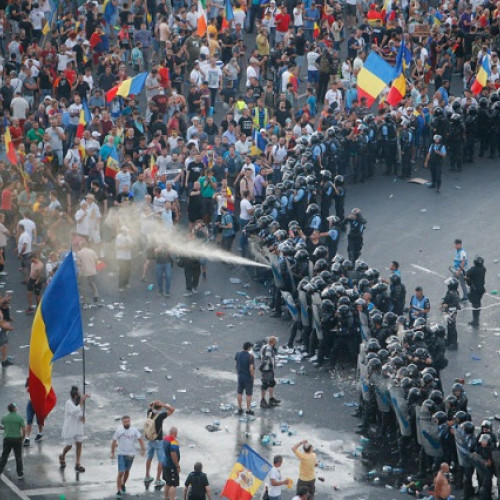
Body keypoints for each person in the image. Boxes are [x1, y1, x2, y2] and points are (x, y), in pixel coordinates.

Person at [111, 415, 146, 499]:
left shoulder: (134, 430)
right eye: (125, 422)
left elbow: (140, 439)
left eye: (128, 421)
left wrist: (143, 449)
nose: (126, 423)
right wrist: (112, 453)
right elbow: (114, 441)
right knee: (120, 472)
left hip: (131, 454)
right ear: (122, 422)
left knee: (127, 472)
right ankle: (118, 490)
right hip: (121, 454)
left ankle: (123, 484)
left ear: (130, 421)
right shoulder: (119, 430)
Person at [145, 400, 175, 488]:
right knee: (161, 460)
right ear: (160, 408)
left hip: (150, 439)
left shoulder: (149, 412)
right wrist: (163, 404)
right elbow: (172, 410)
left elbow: (149, 405)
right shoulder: (161, 416)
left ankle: (147, 476)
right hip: (158, 440)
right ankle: (157, 479)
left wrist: (154, 403)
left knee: (149, 457)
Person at [59, 386, 89, 472]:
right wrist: (81, 403)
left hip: (78, 427)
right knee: (69, 445)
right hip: (70, 428)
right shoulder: (69, 403)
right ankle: (62, 455)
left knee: (79, 444)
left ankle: (77, 463)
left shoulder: (79, 403)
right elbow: (73, 412)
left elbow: (81, 413)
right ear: (75, 396)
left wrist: (83, 417)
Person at [0, 403, 25, 480]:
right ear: (14, 409)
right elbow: (24, 429)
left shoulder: (4, 417)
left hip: (7, 439)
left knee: (4, 456)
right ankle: (20, 474)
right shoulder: (19, 418)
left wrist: (7, 428)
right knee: (18, 457)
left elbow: (1, 427)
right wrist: (23, 437)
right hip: (17, 439)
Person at [259, 336, 280, 409]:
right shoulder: (268, 349)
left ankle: (271, 398)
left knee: (272, 383)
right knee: (265, 384)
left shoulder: (265, 347)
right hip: (267, 370)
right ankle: (262, 400)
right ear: (273, 342)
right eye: (275, 342)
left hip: (269, 370)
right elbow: (266, 360)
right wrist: (262, 368)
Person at [234, 341, 255, 415]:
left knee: (239, 392)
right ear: (249, 348)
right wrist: (252, 377)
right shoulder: (250, 356)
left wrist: (239, 372)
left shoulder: (238, 354)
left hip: (240, 376)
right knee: (248, 394)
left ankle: (240, 408)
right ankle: (248, 409)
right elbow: (251, 368)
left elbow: (236, 365)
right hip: (247, 377)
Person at [466, 256, 486, 327]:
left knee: (475, 304)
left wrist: (467, 279)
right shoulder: (483, 269)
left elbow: (467, 274)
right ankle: (476, 319)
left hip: (475, 290)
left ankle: (475, 320)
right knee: (477, 303)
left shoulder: (473, 269)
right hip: (481, 289)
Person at [163, 427, 181, 500]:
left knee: (167, 482)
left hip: (165, 464)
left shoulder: (164, 439)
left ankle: (166, 497)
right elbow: (173, 454)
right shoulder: (173, 441)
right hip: (171, 466)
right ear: (175, 433)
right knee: (173, 484)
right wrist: (177, 466)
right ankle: (171, 498)